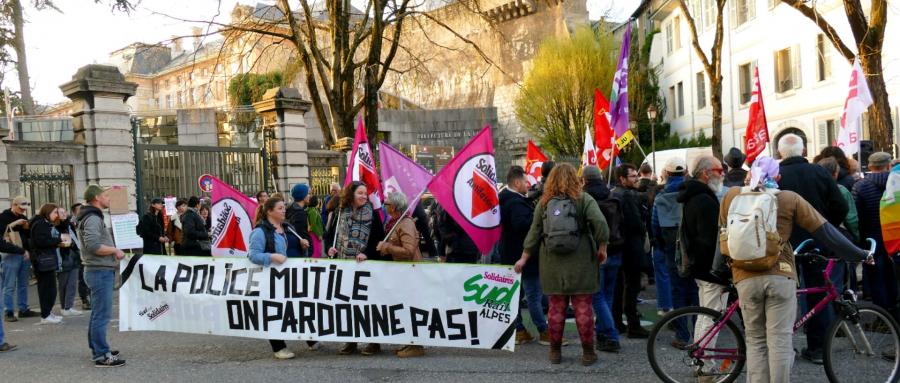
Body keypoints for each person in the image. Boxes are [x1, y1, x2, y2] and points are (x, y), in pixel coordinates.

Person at [720, 156, 870, 383]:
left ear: (750, 173)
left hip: (745, 276)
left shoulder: (731, 196)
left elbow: (722, 236)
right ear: (778, 177)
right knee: (780, 340)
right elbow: (827, 232)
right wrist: (861, 254)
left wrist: (718, 270)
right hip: (780, 274)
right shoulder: (789, 199)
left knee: (755, 340)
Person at [515, 163, 609, 366]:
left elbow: (533, 233)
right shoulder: (584, 199)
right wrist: (602, 247)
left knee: (556, 308)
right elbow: (600, 224)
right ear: (575, 179)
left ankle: (555, 352)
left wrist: (524, 257)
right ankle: (587, 353)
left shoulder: (543, 202)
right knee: (583, 307)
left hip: (551, 263)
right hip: (582, 260)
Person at [777, 133, 848, 364]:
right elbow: (840, 205)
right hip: (817, 241)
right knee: (820, 293)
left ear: (780, 153)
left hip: (783, 244)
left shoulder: (775, 176)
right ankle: (819, 348)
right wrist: (825, 225)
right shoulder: (818, 172)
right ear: (804, 150)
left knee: (783, 296)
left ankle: (782, 347)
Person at [324, 181, 385, 356]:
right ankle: (350, 341)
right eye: (360, 193)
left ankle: (374, 342)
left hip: (365, 267)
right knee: (347, 305)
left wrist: (368, 254)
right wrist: (330, 247)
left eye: (365, 194)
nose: (364, 196)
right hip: (344, 264)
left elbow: (379, 240)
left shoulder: (372, 214)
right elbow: (329, 235)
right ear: (351, 194)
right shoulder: (340, 211)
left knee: (367, 305)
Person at [678, 155, 730, 353]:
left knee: (705, 315)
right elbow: (709, 240)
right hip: (710, 269)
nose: (723, 173)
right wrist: (718, 270)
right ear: (706, 173)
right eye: (719, 170)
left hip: (701, 268)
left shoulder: (694, 196)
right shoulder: (704, 200)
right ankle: (705, 366)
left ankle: (699, 359)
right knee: (711, 317)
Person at [78, 184, 127, 367]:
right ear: (97, 197)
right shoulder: (92, 218)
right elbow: (93, 246)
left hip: (97, 270)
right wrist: (115, 249)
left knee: (98, 313)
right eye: (106, 195)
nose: (109, 199)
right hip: (98, 271)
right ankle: (101, 355)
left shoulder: (91, 216)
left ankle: (98, 347)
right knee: (102, 315)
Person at [651, 157, 697, 347]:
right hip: (693, 246)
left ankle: (682, 335)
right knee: (695, 290)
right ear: (685, 172)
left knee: (677, 290)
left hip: (671, 247)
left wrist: (661, 246)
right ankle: (700, 332)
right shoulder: (693, 192)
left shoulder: (661, 196)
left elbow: (654, 225)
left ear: (667, 174)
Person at [499, 166, 548, 345]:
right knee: (534, 295)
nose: (529, 185)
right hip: (525, 256)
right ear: (517, 182)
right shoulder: (515, 203)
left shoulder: (507, 200)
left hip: (510, 254)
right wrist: (538, 219)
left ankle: (519, 330)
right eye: (526, 182)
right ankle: (544, 331)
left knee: (515, 296)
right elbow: (523, 226)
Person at [376, 191, 425, 357]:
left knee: (411, 307)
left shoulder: (405, 224)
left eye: (387, 204)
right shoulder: (396, 222)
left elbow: (409, 251)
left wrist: (387, 247)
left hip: (410, 272)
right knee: (405, 307)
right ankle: (410, 342)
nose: (384, 205)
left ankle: (416, 346)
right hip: (403, 271)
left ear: (395, 207)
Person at [247, 197, 296, 360]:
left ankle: (311, 340)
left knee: (296, 306)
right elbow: (253, 255)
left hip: (289, 276)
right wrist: (273, 256)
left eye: (284, 208)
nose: (284, 211)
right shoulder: (260, 232)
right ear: (269, 211)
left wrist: (302, 243)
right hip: (271, 279)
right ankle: (279, 347)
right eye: (280, 208)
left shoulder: (287, 227)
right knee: (273, 311)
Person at [852, 152, 897, 319]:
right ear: (888, 165)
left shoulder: (860, 186)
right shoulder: (897, 183)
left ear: (870, 166)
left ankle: (883, 318)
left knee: (877, 278)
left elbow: (857, 216)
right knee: (893, 275)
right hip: (894, 236)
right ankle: (895, 310)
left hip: (871, 239)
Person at [581, 165, 620, 352]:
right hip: (616, 250)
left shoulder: (584, 199)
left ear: (584, 180)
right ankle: (603, 334)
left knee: (597, 296)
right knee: (607, 296)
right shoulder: (613, 195)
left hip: (597, 252)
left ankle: (611, 335)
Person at [610, 163, 649, 338]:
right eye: (633, 176)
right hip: (631, 246)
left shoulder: (613, 194)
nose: (636, 179)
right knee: (631, 287)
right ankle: (633, 325)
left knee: (618, 287)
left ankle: (617, 322)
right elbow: (636, 224)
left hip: (617, 246)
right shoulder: (627, 196)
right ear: (622, 179)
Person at [29, 203, 67, 325]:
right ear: (47, 212)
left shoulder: (45, 223)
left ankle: (48, 312)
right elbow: (41, 242)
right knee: (46, 289)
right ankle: (45, 315)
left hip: (47, 259)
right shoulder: (40, 224)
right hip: (43, 261)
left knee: (50, 289)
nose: (56, 215)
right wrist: (58, 240)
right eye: (55, 212)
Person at [1, 196, 37, 322]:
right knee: (9, 284)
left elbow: (28, 236)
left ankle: (23, 309)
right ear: (14, 204)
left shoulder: (24, 218)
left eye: (24, 209)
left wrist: (27, 227)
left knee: (23, 283)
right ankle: (8, 311)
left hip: (24, 254)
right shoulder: (3, 216)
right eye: (21, 208)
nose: (23, 211)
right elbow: (2, 233)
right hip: (10, 254)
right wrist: (14, 224)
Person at [55, 207, 82, 317]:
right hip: (63, 256)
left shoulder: (70, 225)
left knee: (72, 283)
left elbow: (75, 238)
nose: (64, 214)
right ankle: (64, 307)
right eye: (61, 212)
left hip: (74, 254)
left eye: (65, 212)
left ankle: (69, 306)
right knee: (63, 283)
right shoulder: (55, 227)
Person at [70, 203, 91, 310]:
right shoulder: (71, 224)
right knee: (82, 277)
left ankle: (90, 297)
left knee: (89, 276)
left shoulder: (86, 220)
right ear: (74, 212)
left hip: (88, 252)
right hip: (77, 253)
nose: (83, 211)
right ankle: (84, 299)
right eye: (80, 210)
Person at [286, 183, 311, 257]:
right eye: (308, 194)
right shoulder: (299, 213)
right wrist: (309, 249)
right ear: (303, 196)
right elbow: (302, 233)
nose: (309, 196)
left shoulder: (290, 208)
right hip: (300, 249)